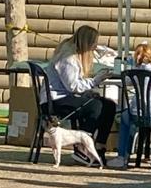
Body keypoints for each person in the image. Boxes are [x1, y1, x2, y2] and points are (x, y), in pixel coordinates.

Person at [46, 25, 116, 165]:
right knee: (96, 106)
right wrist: (95, 81)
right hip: (56, 100)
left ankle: (99, 146)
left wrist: (89, 91)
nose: (95, 46)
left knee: (109, 105)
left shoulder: (71, 53)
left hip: (64, 96)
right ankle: (81, 147)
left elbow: (73, 85)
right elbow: (73, 86)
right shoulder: (68, 57)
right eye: (94, 42)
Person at [107, 42, 151, 169]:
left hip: (139, 114)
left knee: (125, 117)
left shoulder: (135, 72)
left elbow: (125, 81)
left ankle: (122, 156)